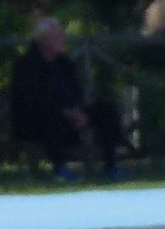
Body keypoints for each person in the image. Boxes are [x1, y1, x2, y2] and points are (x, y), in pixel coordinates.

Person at [9, 17, 125, 181]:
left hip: (69, 114)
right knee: (51, 118)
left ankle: (111, 167)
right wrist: (65, 112)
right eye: (57, 37)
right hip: (36, 121)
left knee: (107, 110)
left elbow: (75, 92)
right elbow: (32, 101)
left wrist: (78, 111)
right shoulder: (26, 66)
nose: (63, 40)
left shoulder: (64, 64)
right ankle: (60, 169)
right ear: (43, 40)